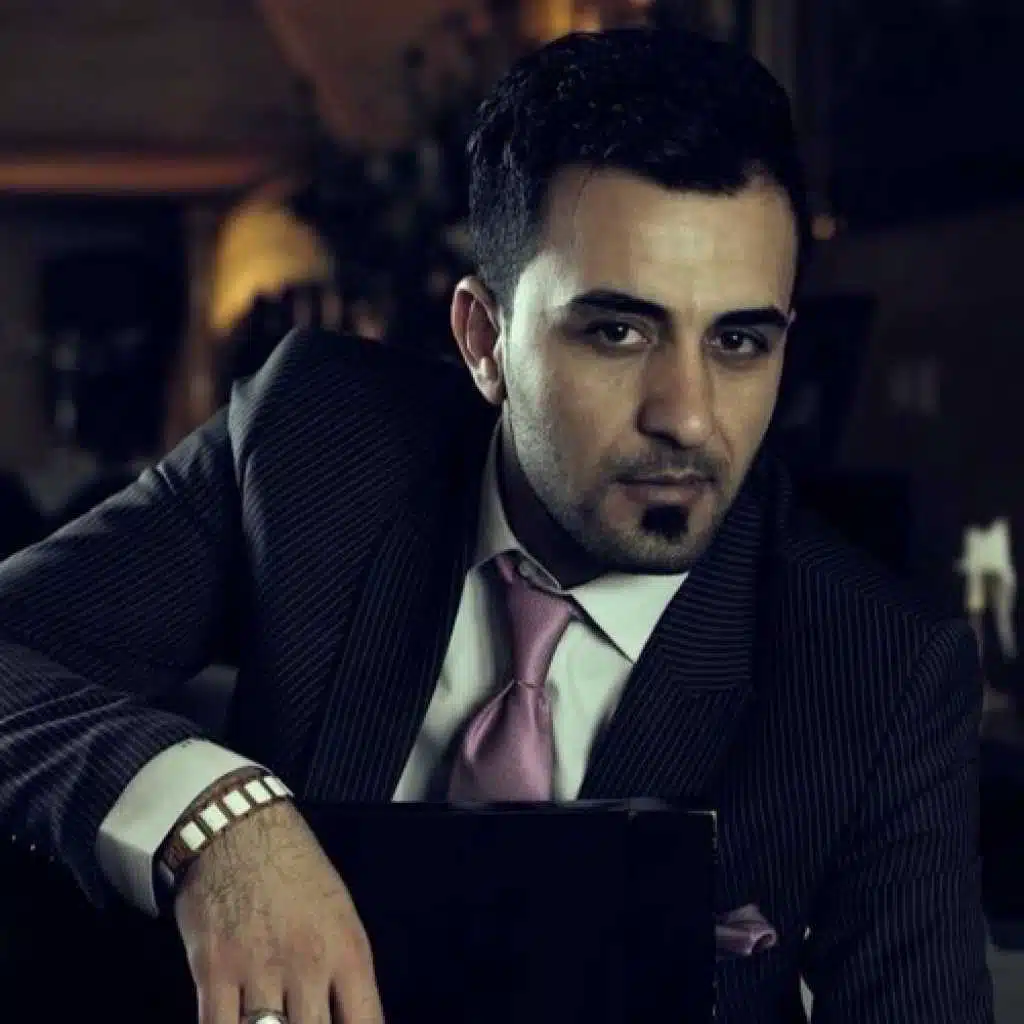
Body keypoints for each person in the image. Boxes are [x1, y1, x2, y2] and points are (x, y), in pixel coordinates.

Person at [0, 27, 993, 1024]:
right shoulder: (313, 446)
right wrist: (214, 818)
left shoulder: (877, 673)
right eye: (617, 331)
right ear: (484, 340)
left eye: (738, 341)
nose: (689, 417)